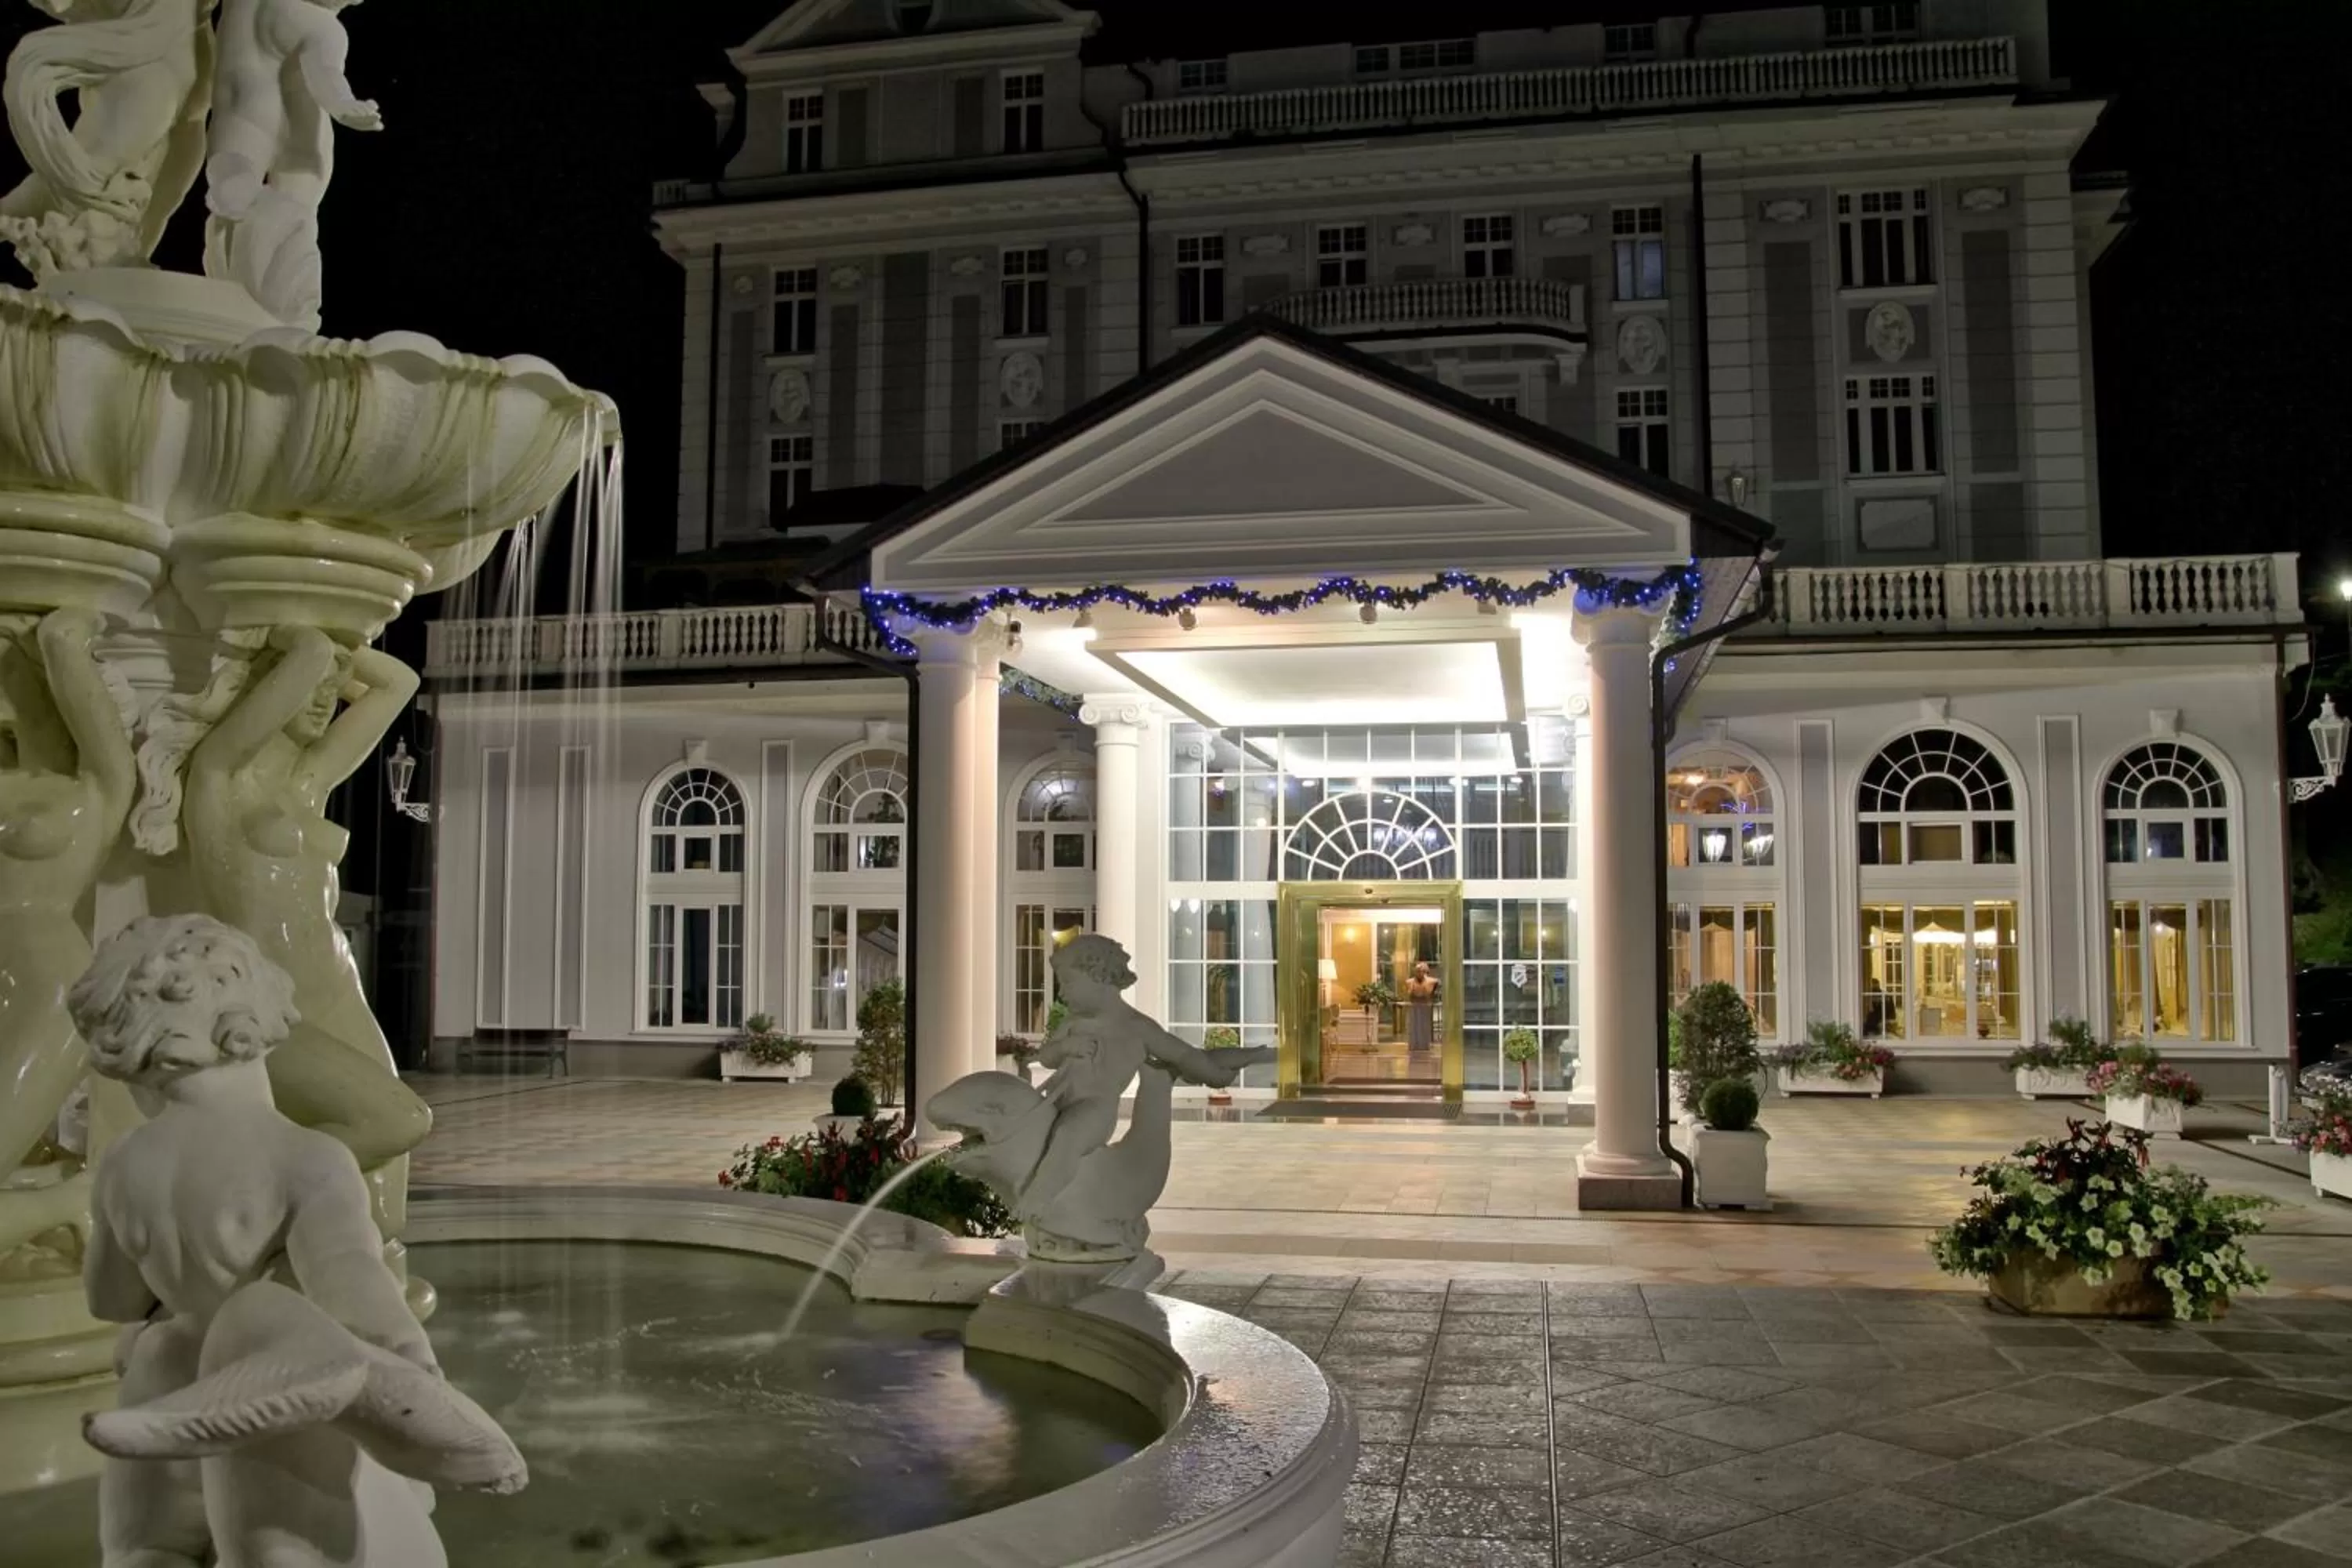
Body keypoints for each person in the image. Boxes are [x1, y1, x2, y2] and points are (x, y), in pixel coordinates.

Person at [1022, 934, 1274, 1225]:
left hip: (1095, 1109)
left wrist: (1217, 1072)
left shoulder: (1137, 1029)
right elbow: (1048, 1057)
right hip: (1056, 1101)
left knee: (1070, 1135)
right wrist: (1065, 1047)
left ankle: (1039, 1198)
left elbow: (1186, 1055)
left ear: (1100, 977)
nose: (1063, 993)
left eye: (1069, 983)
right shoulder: (1073, 1023)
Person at [1404, 961, 1440, 1053]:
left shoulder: (1432, 982)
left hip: (1425, 1007)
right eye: (1418, 971)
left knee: (1424, 1027)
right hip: (1414, 1007)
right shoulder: (1409, 982)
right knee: (1414, 1028)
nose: (1420, 973)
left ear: (1426, 971)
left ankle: (1424, 1045)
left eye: (1422, 971)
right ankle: (1414, 1045)